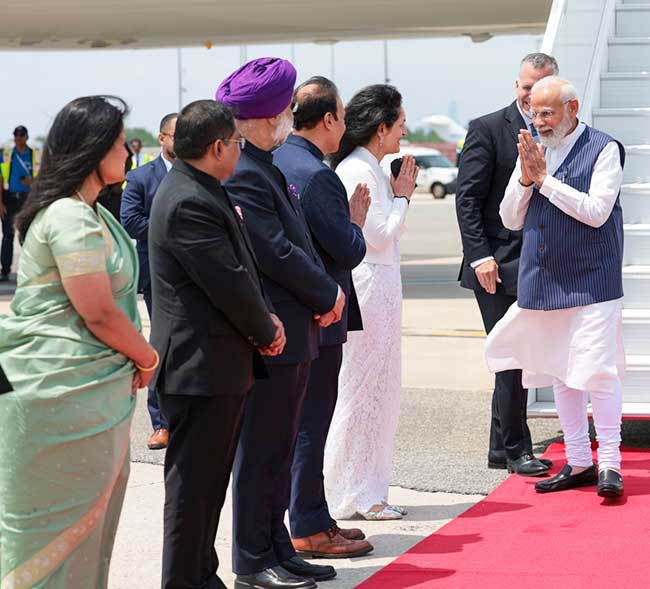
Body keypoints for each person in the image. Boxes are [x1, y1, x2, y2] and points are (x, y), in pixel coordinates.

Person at [0, 95, 158, 589]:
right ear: (92, 150)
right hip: (57, 393)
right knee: (52, 533)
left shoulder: (92, 214)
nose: (128, 154)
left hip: (84, 394)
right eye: (118, 144)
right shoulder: (68, 217)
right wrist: (147, 356)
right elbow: (98, 311)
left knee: (87, 527)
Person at [218, 58, 345, 589]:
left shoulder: (265, 162)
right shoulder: (246, 170)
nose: (287, 121)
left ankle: (276, 546)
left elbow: (296, 243)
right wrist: (327, 291)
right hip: (274, 333)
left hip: (297, 329)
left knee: (280, 448)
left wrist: (321, 293)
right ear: (263, 118)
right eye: (283, 112)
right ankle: (251, 559)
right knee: (262, 454)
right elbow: (275, 251)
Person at [148, 99, 285, 589]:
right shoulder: (188, 198)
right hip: (199, 368)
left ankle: (201, 576)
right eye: (237, 143)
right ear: (216, 147)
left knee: (206, 487)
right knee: (193, 490)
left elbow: (237, 271)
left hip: (214, 365)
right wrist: (266, 329)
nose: (240, 151)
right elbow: (226, 282)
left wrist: (264, 320)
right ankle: (186, 581)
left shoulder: (201, 187)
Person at [487, 76, 626, 498]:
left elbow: (596, 212)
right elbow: (510, 218)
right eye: (533, 112)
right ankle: (580, 461)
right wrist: (527, 180)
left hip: (592, 280)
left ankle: (612, 465)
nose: (539, 121)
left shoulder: (604, 149)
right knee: (560, 374)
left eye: (547, 112)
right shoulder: (532, 148)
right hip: (544, 280)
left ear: (573, 108)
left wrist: (545, 180)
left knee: (598, 372)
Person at [273, 77, 373, 559]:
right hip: (320, 313)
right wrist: (355, 222)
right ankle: (309, 525)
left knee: (299, 422)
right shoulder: (318, 175)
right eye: (343, 117)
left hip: (288, 314)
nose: (345, 127)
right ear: (329, 119)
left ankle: (314, 513)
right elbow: (347, 249)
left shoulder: (276, 161)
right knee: (312, 422)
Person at [455, 52, 558, 476]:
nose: (531, 96)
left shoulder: (559, 129)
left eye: (540, 88)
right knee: (511, 356)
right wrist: (480, 255)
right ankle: (517, 448)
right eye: (525, 87)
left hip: (539, 260)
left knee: (519, 356)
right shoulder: (486, 129)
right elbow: (468, 200)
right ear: (516, 85)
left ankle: (501, 448)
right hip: (496, 264)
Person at [323, 84, 418, 521]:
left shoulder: (368, 166)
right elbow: (377, 235)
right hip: (369, 286)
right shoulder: (360, 170)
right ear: (381, 129)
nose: (404, 133)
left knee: (376, 392)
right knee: (363, 393)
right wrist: (402, 196)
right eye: (399, 125)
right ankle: (355, 493)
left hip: (379, 287)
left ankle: (363, 487)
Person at [121, 112, 178, 450]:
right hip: (157, 277)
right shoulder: (141, 177)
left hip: (196, 276)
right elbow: (130, 220)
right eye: (176, 135)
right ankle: (161, 422)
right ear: (162, 138)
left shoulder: (201, 174)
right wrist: (173, 234)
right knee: (162, 346)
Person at [0, 125, 36, 280]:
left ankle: (30, 270)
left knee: (27, 235)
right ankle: (5, 271)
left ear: (27, 137)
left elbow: (44, 177)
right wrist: (0, 203)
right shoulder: (7, 155)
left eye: (22, 134)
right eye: (16, 135)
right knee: (8, 235)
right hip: (9, 198)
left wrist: (32, 180)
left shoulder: (35, 155)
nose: (19, 137)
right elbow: (0, 180)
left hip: (28, 198)